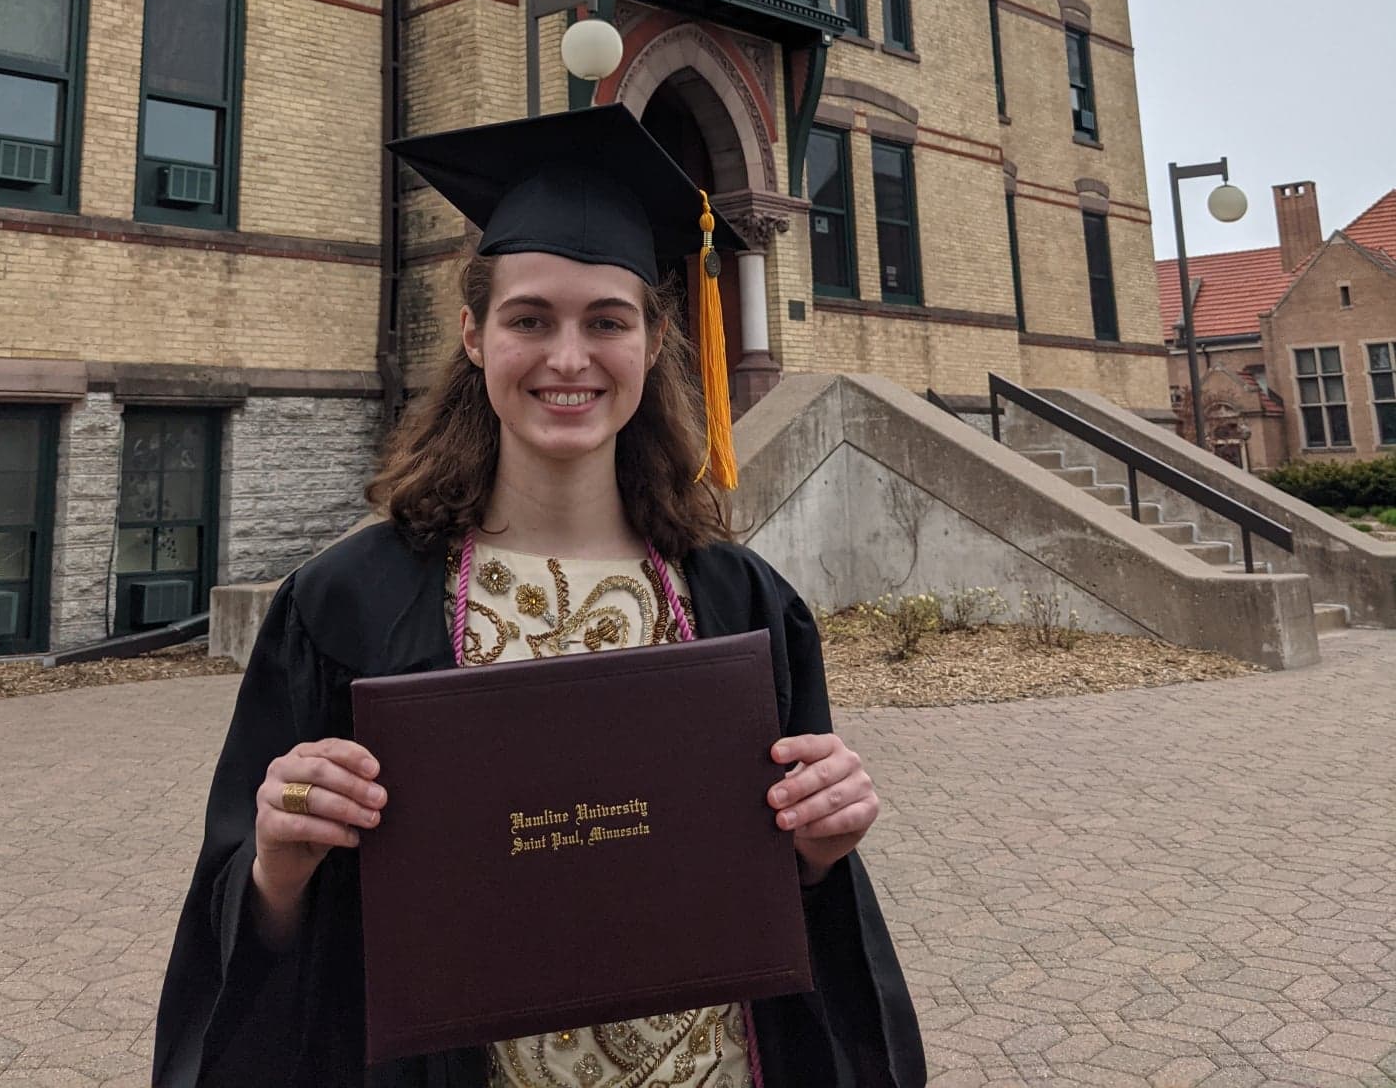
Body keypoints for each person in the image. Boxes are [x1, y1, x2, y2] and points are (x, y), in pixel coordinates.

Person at [154, 106, 926, 1088]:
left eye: (608, 320)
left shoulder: (744, 604)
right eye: (531, 320)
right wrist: (279, 861)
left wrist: (823, 844)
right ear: (475, 336)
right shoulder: (344, 606)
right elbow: (257, 928)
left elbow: (792, 902)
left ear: (654, 341)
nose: (570, 359)